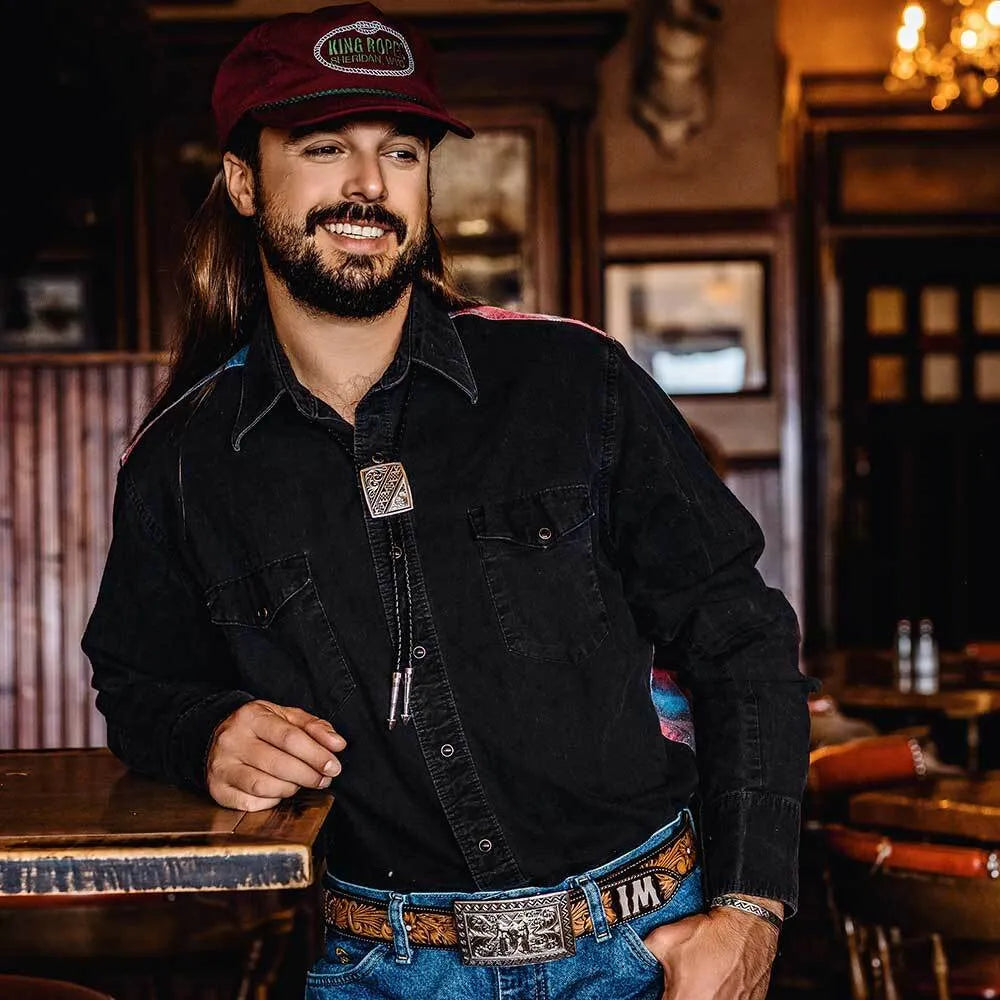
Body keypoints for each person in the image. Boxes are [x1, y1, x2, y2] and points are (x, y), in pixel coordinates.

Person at [83, 5, 814, 998]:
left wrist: (749, 912)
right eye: (325, 146)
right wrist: (204, 730)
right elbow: (135, 684)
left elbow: (742, 638)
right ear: (244, 182)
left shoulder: (575, 382)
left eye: (402, 151)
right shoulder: (181, 463)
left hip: (649, 949)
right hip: (378, 967)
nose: (368, 186)